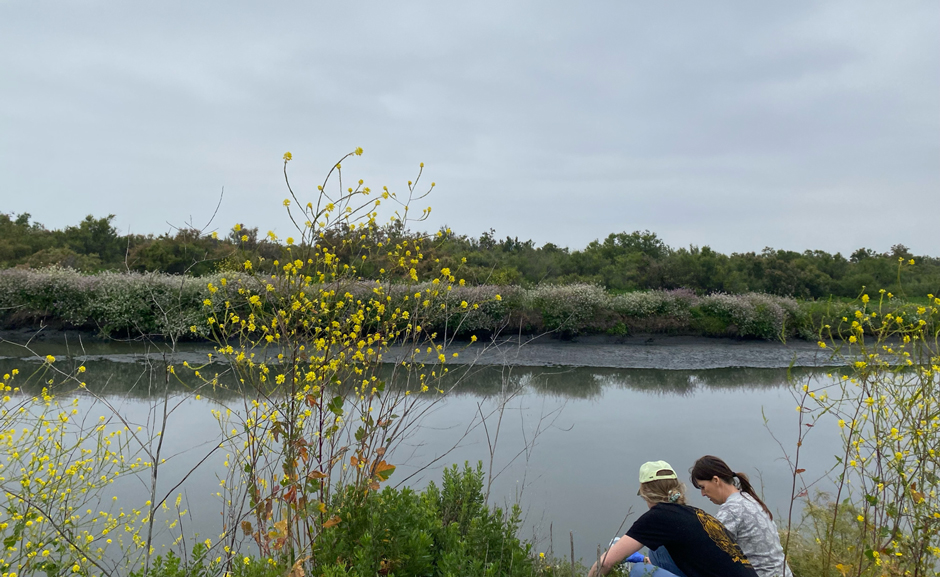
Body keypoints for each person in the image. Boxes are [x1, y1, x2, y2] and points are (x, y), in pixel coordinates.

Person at [588, 460, 758, 577]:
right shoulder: (694, 513)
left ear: (646, 493)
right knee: (657, 547)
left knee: (639, 572)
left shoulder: (658, 517)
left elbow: (605, 563)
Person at [690, 456, 793, 577]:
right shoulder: (747, 498)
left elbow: (707, 550)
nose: (703, 494)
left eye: (703, 487)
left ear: (716, 480)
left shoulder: (732, 510)